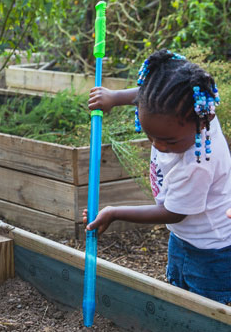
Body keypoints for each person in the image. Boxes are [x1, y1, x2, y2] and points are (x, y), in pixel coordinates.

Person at [86, 49, 231, 304]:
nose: (158, 145)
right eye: (149, 135)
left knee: (207, 308)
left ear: (204, 118)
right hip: (184, 235)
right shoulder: (185, 113)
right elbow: (146, 97)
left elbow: (174, 212)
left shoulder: (198, 162)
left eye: (167, 140)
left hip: (212, 250)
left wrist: (115, 212)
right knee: (179, 294)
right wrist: (115, 97)